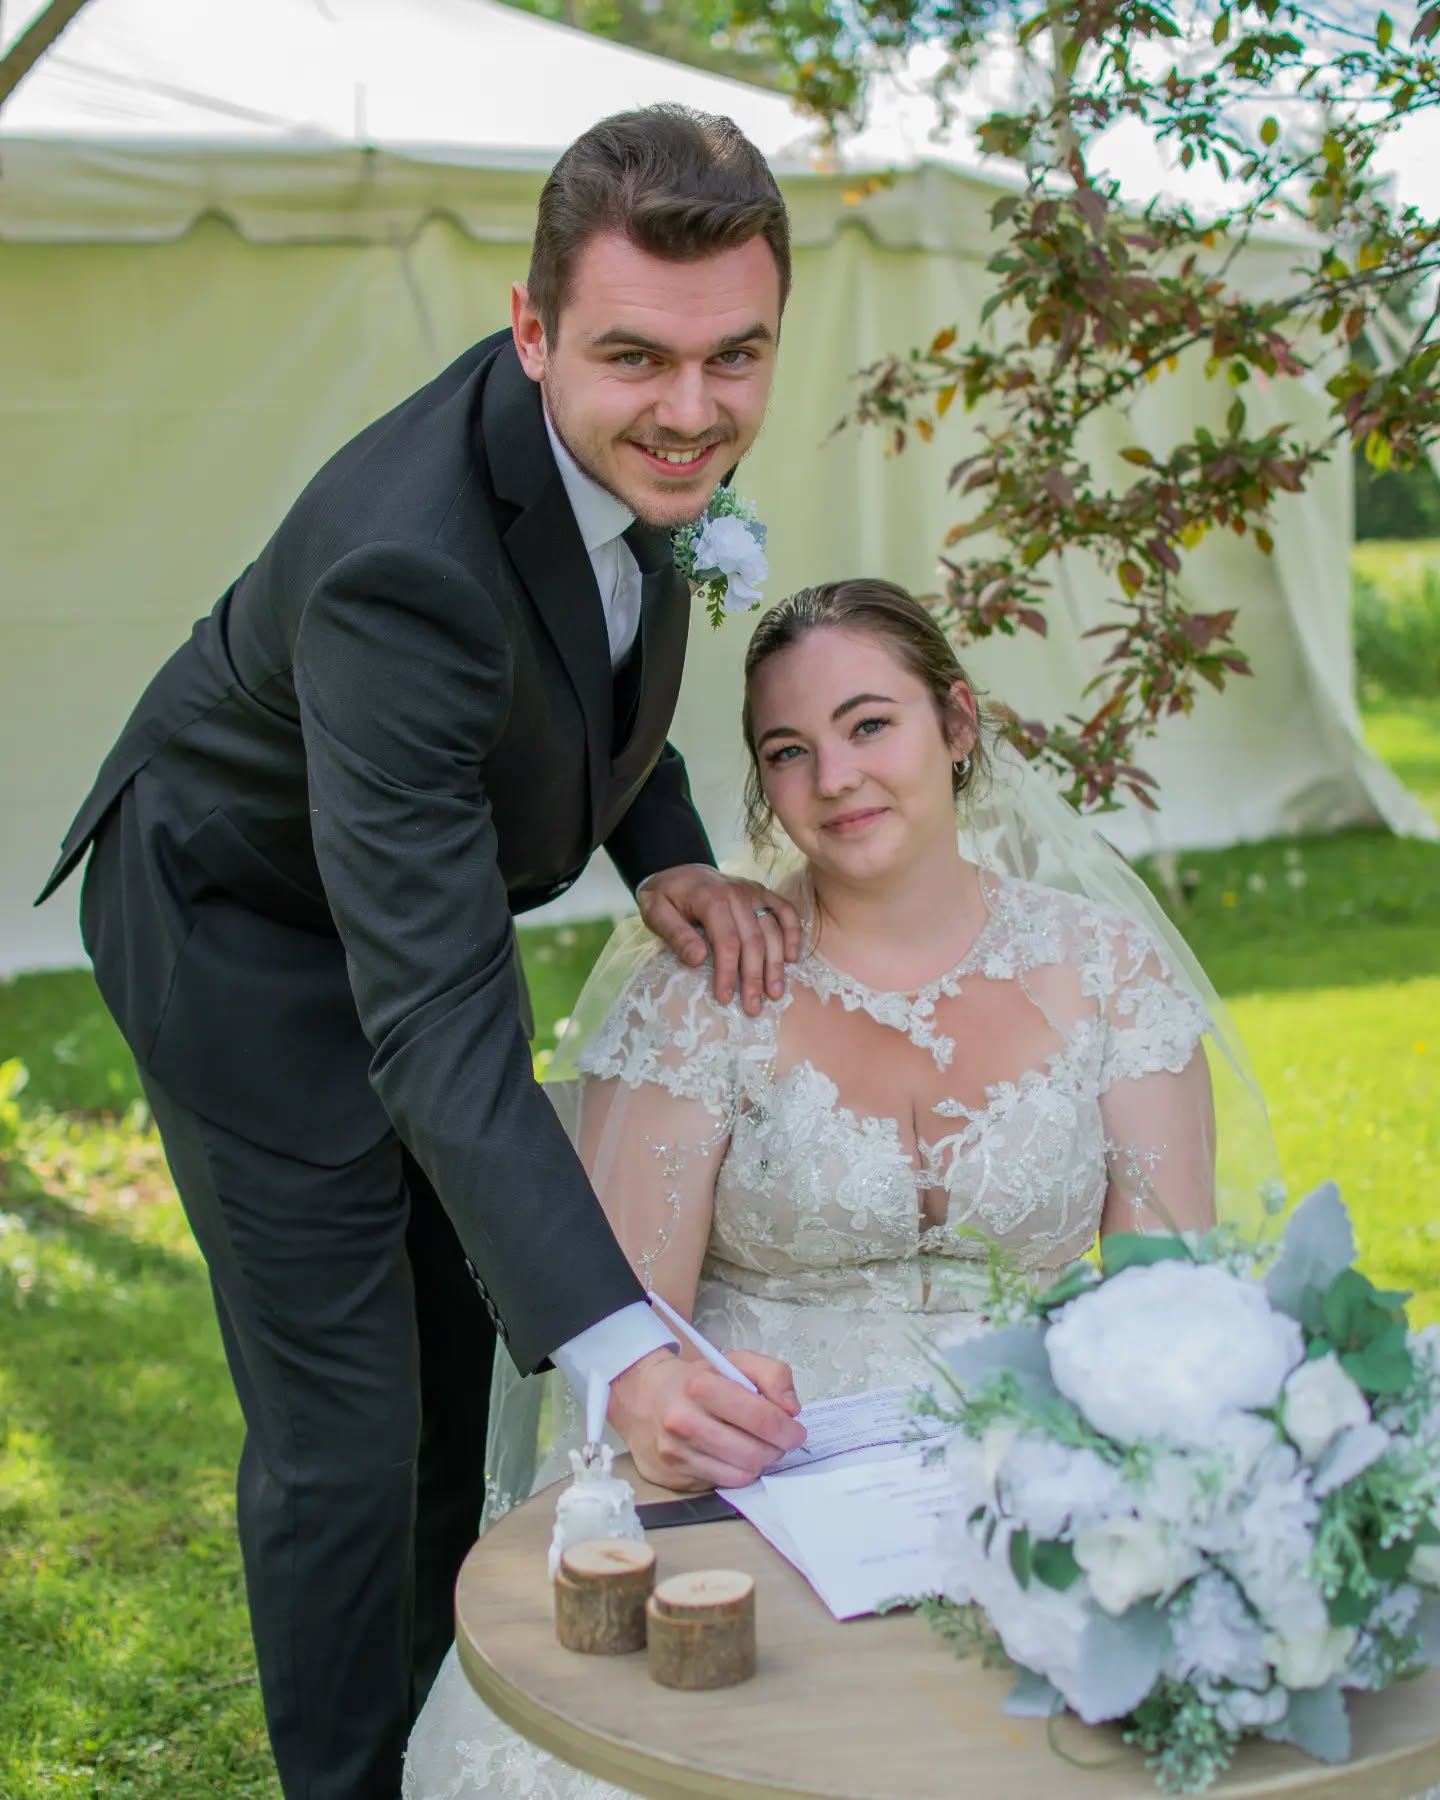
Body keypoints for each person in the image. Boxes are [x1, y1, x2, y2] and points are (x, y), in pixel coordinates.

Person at [33, 107, 813, 1800]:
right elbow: (443, 1017)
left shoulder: (624, 453)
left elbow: (583, 675)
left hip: (401, 902)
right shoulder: (406, 567)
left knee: (452, 1369)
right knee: (344, 1438)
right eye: (636, 358)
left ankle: (428, 1734)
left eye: (734, 357)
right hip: (241, 939)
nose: (692, 412)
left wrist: (662, 855)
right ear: (532, 330)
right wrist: (623, 1353)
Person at [403, 576, 1279, 1799]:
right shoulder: (702, 993)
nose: (837, 777)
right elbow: (627, 1331)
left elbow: (1165, 1297)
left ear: (957, 727)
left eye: (872, 725)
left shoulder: (1106, 975)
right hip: (746, 1490)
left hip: (1038, 1474)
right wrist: (686, 1428)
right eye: (790, 751)